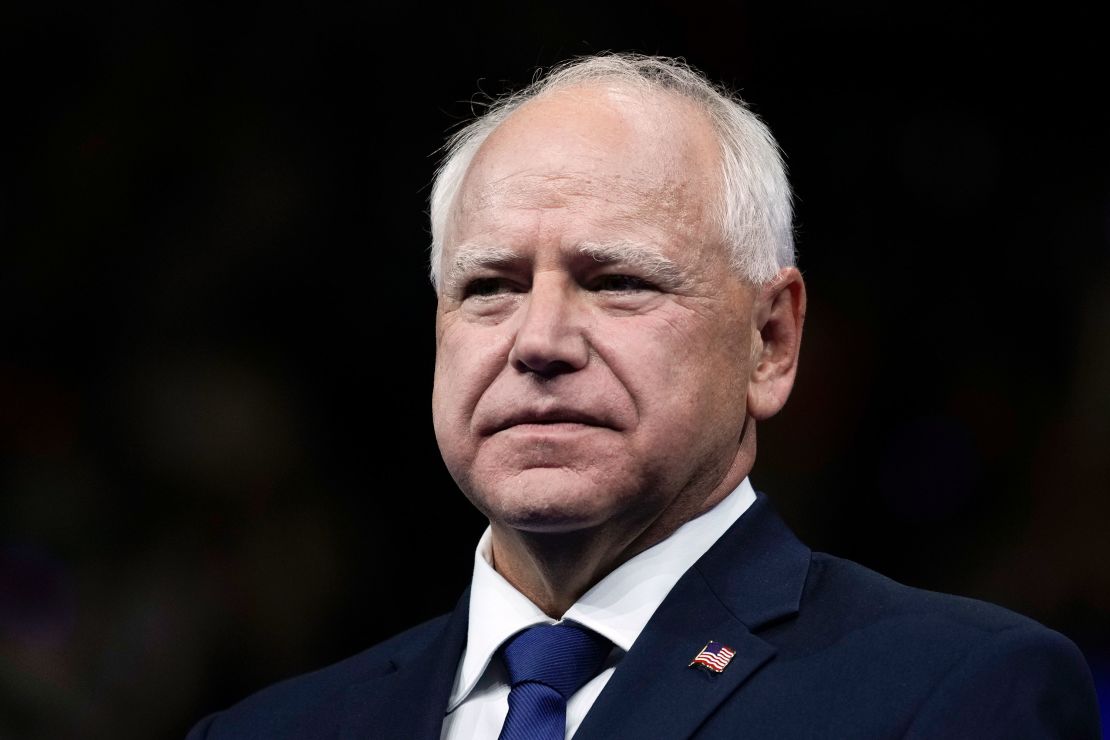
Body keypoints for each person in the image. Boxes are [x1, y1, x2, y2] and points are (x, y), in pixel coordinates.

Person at [187, 53, 1100, 739]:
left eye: (617, 279)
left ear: (770, 341)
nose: (538, 341)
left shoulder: (958, 695)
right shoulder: (264, 731)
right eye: (490, 286)